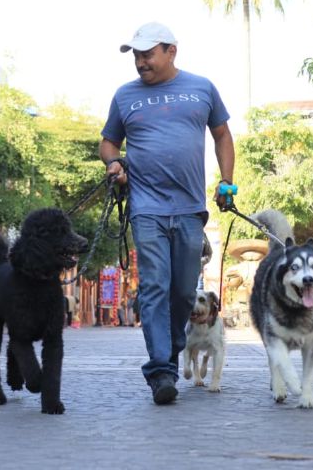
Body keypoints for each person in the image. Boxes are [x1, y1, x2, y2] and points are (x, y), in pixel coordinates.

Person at [100, 21, 235, 405]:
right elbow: (109, 142)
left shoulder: (202, 88)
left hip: (191, 209)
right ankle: (161, 370)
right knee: (154, 287)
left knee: (182, 292)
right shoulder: (125, 96)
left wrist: (227, 181)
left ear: (171, 51)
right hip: (147, 209)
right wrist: (114, 164)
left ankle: (172, 351)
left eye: (147, 54)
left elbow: (222, 134)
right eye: (136, 56)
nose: (141, 62)